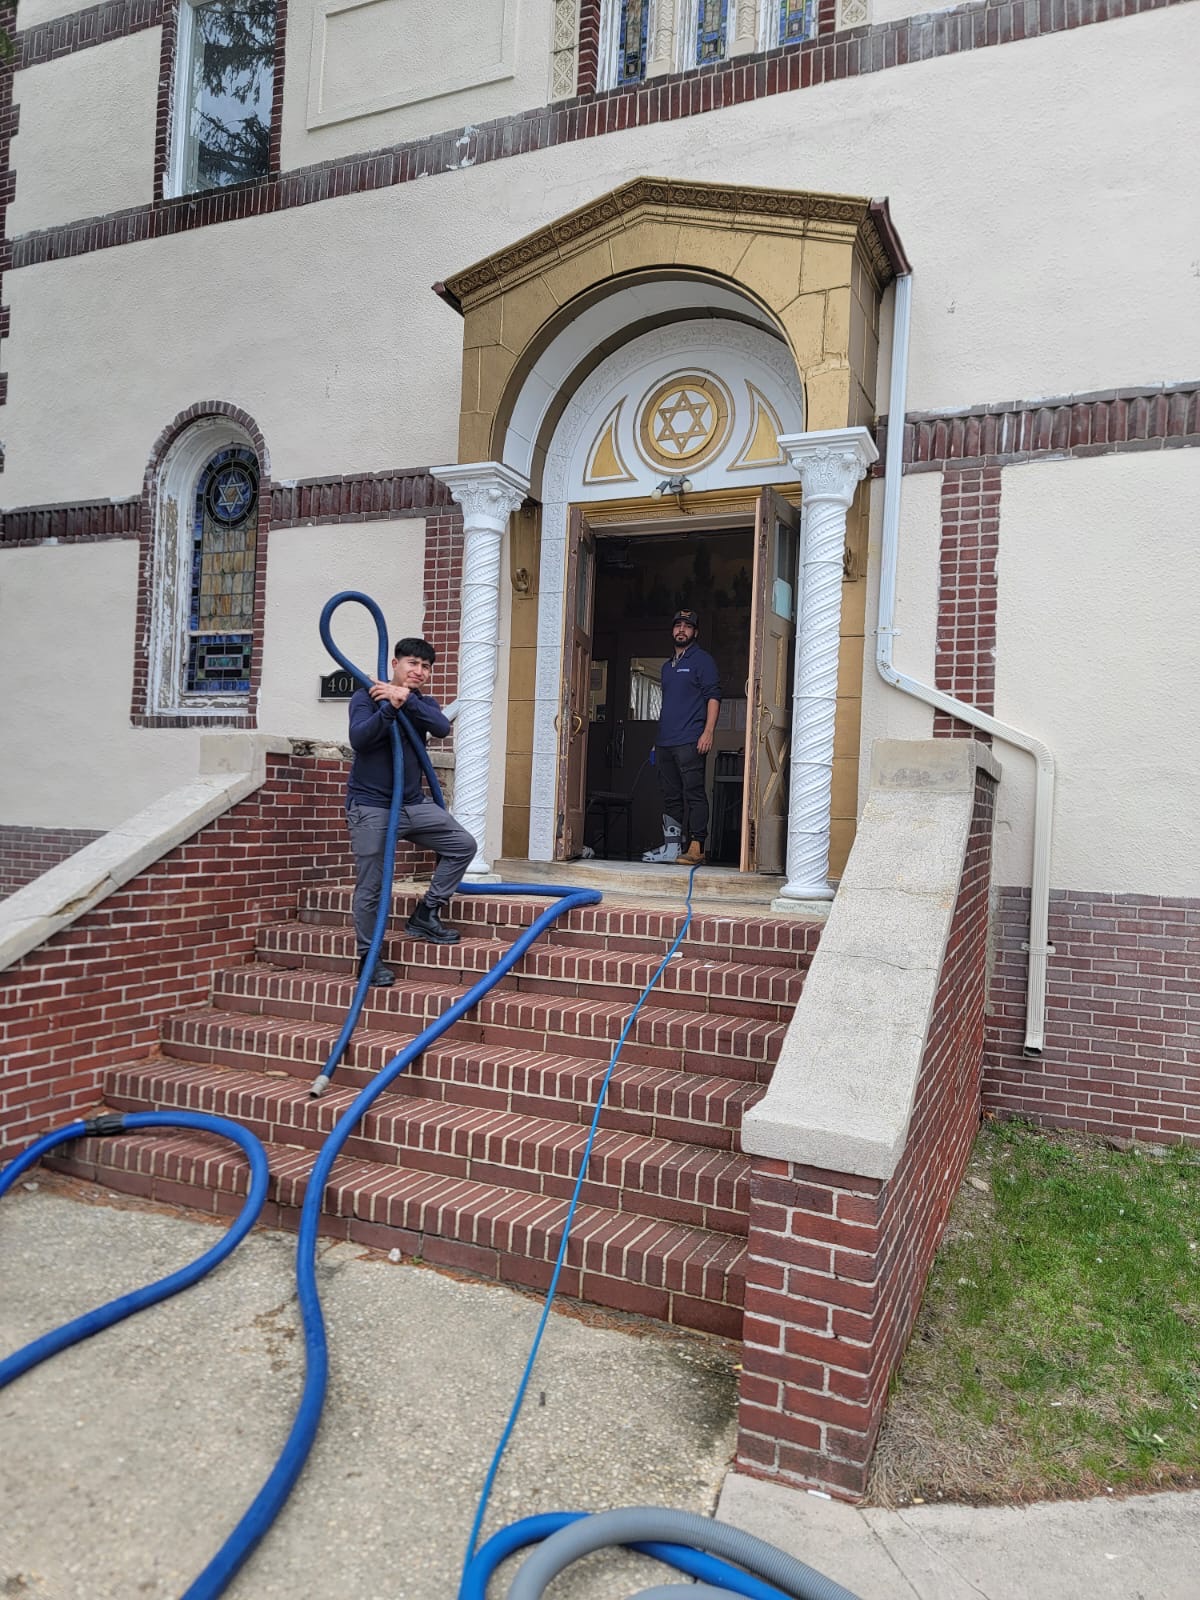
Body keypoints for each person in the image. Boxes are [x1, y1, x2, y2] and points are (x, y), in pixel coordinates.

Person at [345, 636, 475, 981]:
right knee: (372, 885)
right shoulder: (365, 697)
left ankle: (426, 913)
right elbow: (359, 739)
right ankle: (368, 957)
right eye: (412, 663)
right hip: (372, 807)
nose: (419, 671)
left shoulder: (424, 703)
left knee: (463, 845)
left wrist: (405, 701)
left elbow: (442, 727)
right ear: (395, 665)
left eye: (426, 666)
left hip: (411, 806)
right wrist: (389, 707)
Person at [642, 609, 721, 868]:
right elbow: (669, 705)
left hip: (691, 740)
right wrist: (657, 741)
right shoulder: (666, 667)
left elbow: (713, 697)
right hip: (666, 741)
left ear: (695, 632)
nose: (681, 630)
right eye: (678, 625)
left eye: (687, 626)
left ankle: (697, 846)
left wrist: (708, 732)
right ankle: (671, 847)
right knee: (671, 796)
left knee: (694, 793)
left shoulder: (703, 661)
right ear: (672, 630)